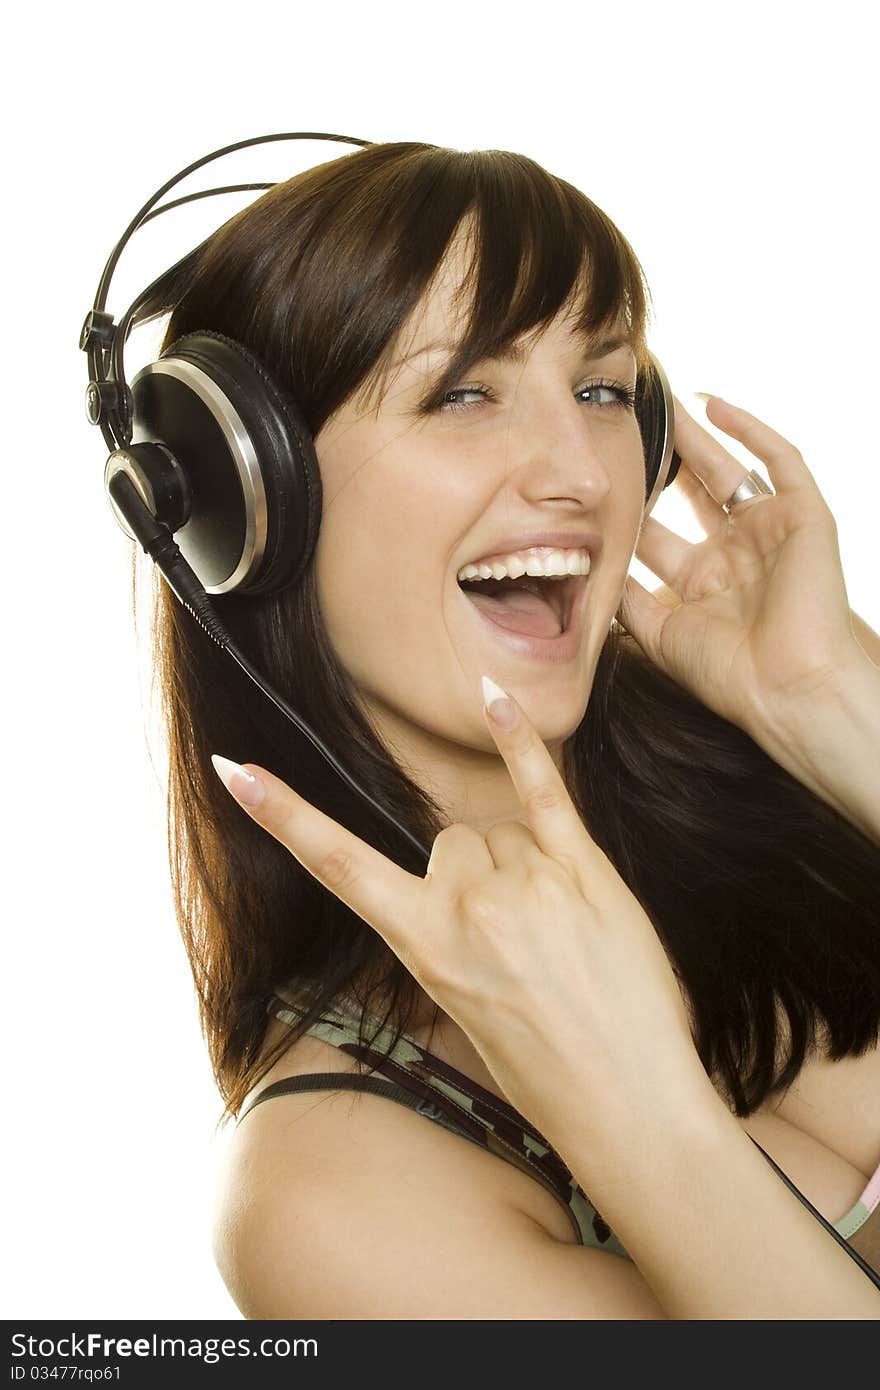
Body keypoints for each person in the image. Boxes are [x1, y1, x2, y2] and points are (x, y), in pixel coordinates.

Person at [139, 141, 880, 1318]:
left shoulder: (781, 770)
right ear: (251, 499)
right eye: (464, 393)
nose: (583, 473)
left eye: (599, 390)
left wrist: (836, 709)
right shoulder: (333, 1192)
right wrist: (645, 1121)